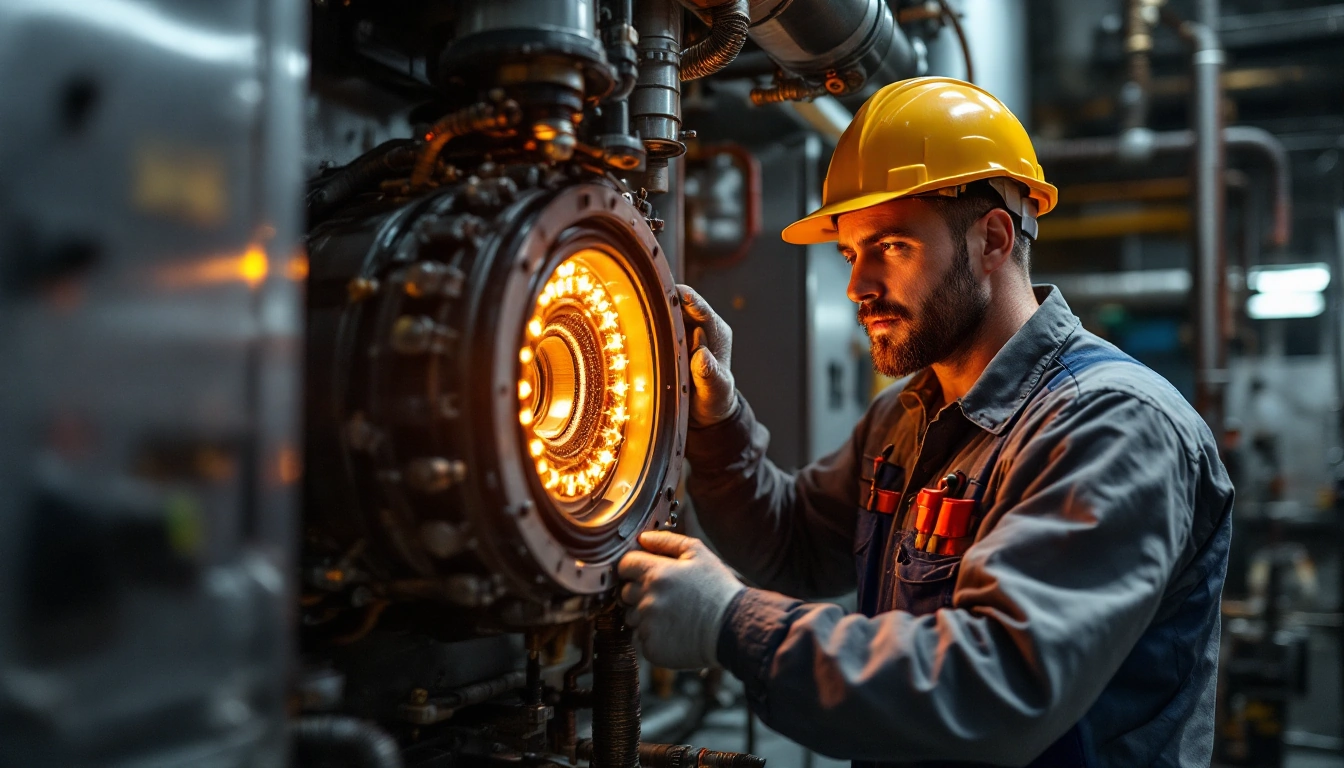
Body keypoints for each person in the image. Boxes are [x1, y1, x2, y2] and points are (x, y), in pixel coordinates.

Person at [616, 77, 1233, 767]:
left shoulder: (1111, 425)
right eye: (850, 254)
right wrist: (717, 418)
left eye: (890, 246)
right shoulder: (909, 415)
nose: (857, 286)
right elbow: (792, 543)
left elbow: (996, 687)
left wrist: (733, 623)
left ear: (992, 240)